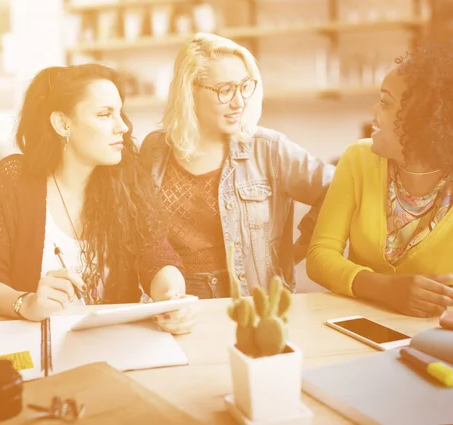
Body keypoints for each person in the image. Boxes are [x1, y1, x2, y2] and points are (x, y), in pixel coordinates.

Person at [0, 64, 194, 335]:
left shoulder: (126, 176)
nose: (122, 126)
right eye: (105, 114)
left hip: (113, 346)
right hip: (35, 346)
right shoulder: (13, 178)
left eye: (119, 112)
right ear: (63, 124)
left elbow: (157, 256)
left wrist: (172, 298)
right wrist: (26, 303)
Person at [139, 33, 334, 299]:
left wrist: (298, 249)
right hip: (176, 298)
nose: (239, 101)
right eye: (225, 90)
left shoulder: (269, 148)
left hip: (250, 300)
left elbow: (338, 189)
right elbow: (143, 231)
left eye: (244, 86)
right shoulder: (155, 149)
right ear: (189, 91)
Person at [307, 40, 453, 318]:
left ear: (423, 119)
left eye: (385, 102)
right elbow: (320, 256)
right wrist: (385, 289)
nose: (373, 111)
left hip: (436, 336)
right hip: (360, 324)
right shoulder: (358, 159)